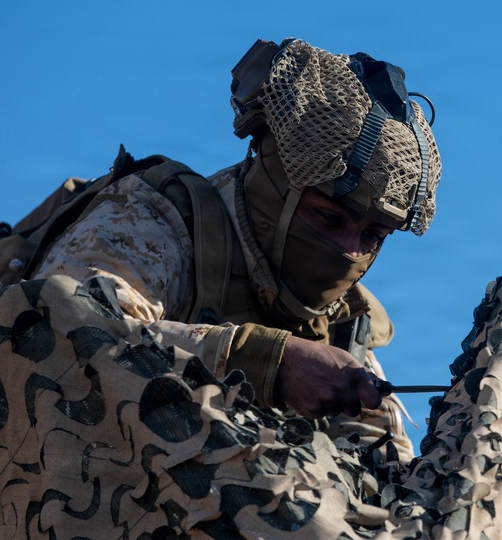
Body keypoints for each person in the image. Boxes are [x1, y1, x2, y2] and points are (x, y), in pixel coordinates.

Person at [31, 38, 442, 462]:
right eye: (328, 219)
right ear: (273, 191)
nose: (348, 250)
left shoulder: (341, 322)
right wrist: (270, 363)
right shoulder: (158, 223)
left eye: (373, 236)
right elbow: (59, 329)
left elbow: (380, 455)